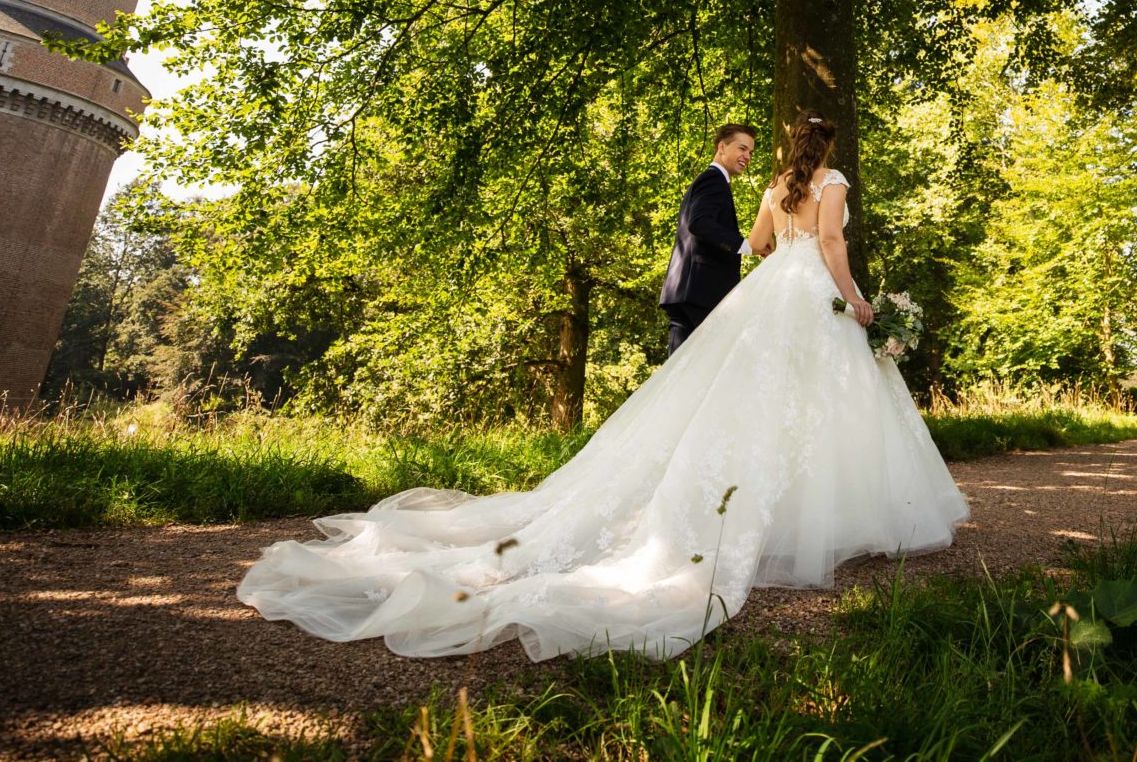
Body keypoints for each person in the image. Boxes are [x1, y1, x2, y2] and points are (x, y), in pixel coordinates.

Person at [236, 109, 969, 662]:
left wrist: (783, 248)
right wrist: (859, 299)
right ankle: (831, 519)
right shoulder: (833, 184)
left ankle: (780, 516)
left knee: (755, 408)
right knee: (825, 407)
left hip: (774, 292)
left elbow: (764, 244)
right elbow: (832, 243)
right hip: (814, 293)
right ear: (830, 148)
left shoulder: (778, 185)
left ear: (784, 148)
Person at [659, 122, 761, 355]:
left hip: (690, 290)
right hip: (699, 292)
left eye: (750, 152)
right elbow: (699, 223)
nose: (747, 156)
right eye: (742, 148)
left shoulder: (714, 180)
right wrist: (745, 246)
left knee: (684, 372)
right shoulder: (713, 179)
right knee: (692, 372)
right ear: (722, 147)